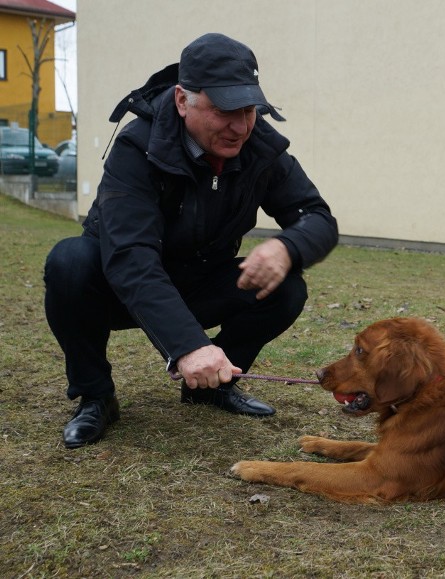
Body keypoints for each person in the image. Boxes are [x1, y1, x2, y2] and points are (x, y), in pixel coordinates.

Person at [43, 33, 338, 449]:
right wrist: (188, 345)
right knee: (68, 262)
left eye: (250, 110)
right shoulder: (137, 147)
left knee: (286, 287)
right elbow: (130, 256)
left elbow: (318, 217)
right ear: (183, 101)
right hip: (118, 286)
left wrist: (289, 247)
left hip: (198, 279)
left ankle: (209, 388)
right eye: (224, 111)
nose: (241, 127)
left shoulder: (261, 148)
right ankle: (96, 396)